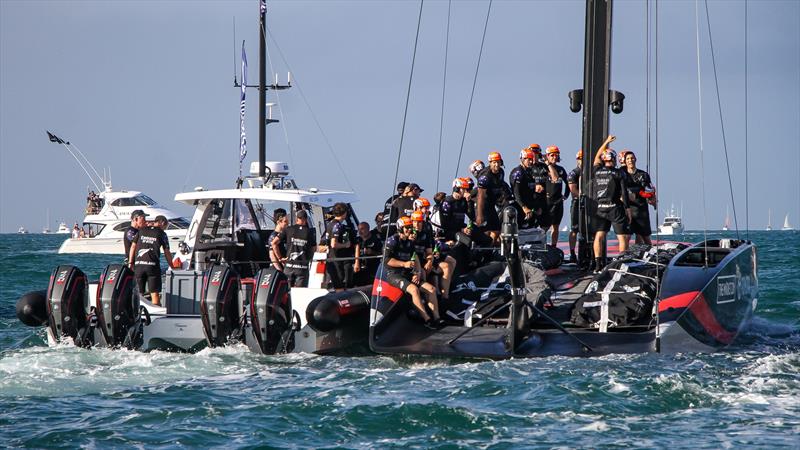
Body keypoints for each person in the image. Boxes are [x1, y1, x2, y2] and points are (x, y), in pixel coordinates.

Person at [382, 216, 442, 329]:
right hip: (394, 274)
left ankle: (437, 318)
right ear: (400, 228)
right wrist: (404, 264)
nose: (410, 229)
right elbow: (386, 260)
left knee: (431, 289)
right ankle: (427, 320)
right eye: (407, 227)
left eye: (410, 227)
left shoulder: (410, 242)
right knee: (414, 290)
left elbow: (415, 258)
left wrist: (418, 272)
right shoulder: (392, 241)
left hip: (408, 273)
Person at [592, 135, 631, 271]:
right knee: (623, 237)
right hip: (615, 207)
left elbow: (596, 157)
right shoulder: (619, 173)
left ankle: (597, 265)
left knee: (599, 236)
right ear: (613, 159)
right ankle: (621, 264)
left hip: (600, 207)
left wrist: (606, 142)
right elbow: (624, 193)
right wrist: (628, 209)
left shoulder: (597, 171)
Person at [128, 215, 176, 306]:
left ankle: (138, 314)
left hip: (139, 266)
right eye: (166, 226)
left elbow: (133, 246)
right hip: (152, 266)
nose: (165, 229)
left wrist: (130, 263)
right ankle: (156, 315)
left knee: (139, 294)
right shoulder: (162, 233)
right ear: (162, 223)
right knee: (155, 295)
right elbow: (166, 252)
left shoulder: (141, 230)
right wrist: (172, 266)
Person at [620, 150, 657, 245]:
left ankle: (645, 254)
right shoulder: (621, 173)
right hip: (627, 209)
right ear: (625, 161)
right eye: (628, 159)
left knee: (644, 236)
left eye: (632, 158)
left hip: (641, 209)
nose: (630, 160)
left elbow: (650, 190)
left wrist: (653, 200)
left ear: (635, 159)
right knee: (626, 236)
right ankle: (625, 255)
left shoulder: (643, 174)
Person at [475, 151, 512, 244]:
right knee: (486, 231)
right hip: (482, 205)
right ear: (490, 163)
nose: (496, 165)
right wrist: (480, 215)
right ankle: (482, 250)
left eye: (498, 162)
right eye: (494, 162)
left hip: (492, 205)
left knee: (496, 230)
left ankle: (491, 249)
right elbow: (480, 196)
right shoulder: (485, 177)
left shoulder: (501, 173)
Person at [278, 210, 317, 287]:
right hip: (302, 268)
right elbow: (314, 248)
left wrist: (280, 258)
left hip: (289, 266)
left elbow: (274, 243)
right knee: (300, 293)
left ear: (297, 218)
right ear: (306, 219)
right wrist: (310, 259)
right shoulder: (309, 232)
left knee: (287, 292)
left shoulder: (288, 229)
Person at [543, 146, 570, 246]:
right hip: (546, 201)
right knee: (544, 227)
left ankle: (553, 246)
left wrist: (566, 196)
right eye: (552, 155)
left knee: (556, 226)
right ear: (547, 156)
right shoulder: (543, 168)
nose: (554, 157)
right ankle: (543, 246)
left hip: (558, 201)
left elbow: (568, 183)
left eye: (556, 155)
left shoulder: (561, 169)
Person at [327, 202, 356, 291]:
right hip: (337, 260)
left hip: (332, 258)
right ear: (344, 213)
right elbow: (333, 244)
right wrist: (345, 245)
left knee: (338, 285)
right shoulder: (337, 225)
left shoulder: (330, 223)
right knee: (340, 286)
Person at [509, 147, 539, 228]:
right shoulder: (518, 172)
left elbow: (532, 191)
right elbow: (516, 192)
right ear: (522, 159)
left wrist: (536, 207)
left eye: (531, 159)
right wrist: (524, 207)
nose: (531, 162)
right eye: (528, 159)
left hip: (530, 207)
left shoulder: (530, 171)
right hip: (520, 206)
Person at [354, 221, 383, 286]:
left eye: (362, 229)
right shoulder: (357, 240)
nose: (360, 231)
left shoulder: (376, 240)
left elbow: (382, 254)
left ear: (368, 229)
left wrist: (372, 252)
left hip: (373, 269)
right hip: (360, 269)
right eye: (358, 229)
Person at [567, 149, 583, 263]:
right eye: (580, 159)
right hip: (577, 203)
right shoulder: (574, 173)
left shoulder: (591, 171)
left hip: (589, 204)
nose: (582, 161)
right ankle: (572, 253)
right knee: (574, 229)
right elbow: (573, 190)